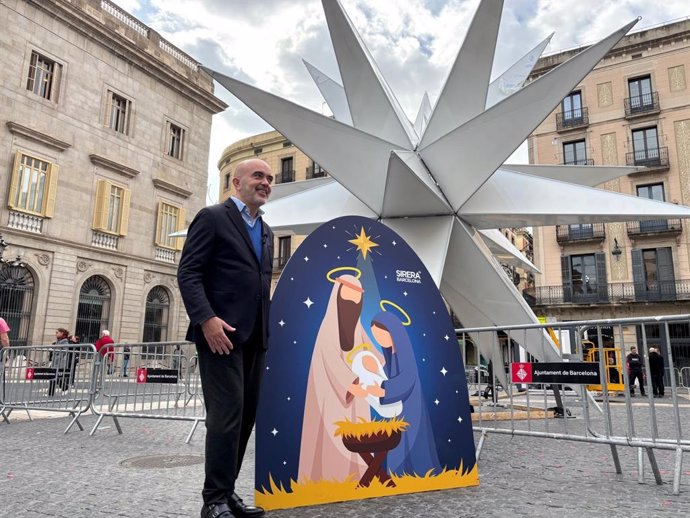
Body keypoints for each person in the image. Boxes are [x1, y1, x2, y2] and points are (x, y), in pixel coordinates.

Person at [178, 158, 274, 518]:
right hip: (220, 336)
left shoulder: (266, 229)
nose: (265, 182)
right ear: (236, 183)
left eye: (269, 178)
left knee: (246, 414)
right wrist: (206, 319)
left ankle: (228, 493)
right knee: (226, 416)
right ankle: (213, 500)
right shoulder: (213, 217)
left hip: (254, 338)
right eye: (258, 176)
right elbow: (188, 273)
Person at [298, 274, 379, 483]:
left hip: (357, 398)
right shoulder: (327, 330)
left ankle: (360, 478)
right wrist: (352, 383)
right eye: (348, 297)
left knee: (358, 442)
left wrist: (377, 369)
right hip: (331, 398)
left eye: (356, 299)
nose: (352, 303)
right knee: (330, 442)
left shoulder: (358, 330)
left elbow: (374, 357)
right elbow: (331, 362)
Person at [367, 310, 440, 476]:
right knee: (397, 448)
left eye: (380, 334)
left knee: (413, 445)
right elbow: (383, 375)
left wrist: (382, 389)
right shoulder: (390, 357)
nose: (378, 339)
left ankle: (420, 474)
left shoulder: (404, 355)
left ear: (392, 332)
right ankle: (398, 475)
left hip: (410, 409)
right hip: (397, 412)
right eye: (375, 336)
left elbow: (407, 379)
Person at [48, 328, 70, 396]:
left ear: (62, 333)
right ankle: (50, 393)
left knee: (56, 377)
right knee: (53, 377)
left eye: (57, 332)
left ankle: (65, 387)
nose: (56, 334)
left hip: (60, 362)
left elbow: (64, 352)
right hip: (55, 362)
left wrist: (55, 351)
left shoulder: (65, 342)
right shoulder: (58, 341)